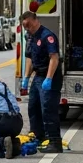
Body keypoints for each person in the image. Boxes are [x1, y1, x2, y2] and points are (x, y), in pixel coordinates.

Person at [20, 10, 63, 153]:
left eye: (29, 25)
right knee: (33, 107)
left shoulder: (47, 36)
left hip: (49, 76)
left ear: (35, 20)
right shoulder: (29, 37)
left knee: (48, 109)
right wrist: (26, 77)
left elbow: (54, 58)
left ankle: (55, 141)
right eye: (25, 26)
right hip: (37, 75)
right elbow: (29, 58)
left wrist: (49, 78)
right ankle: (39, 135)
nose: (28, 28)